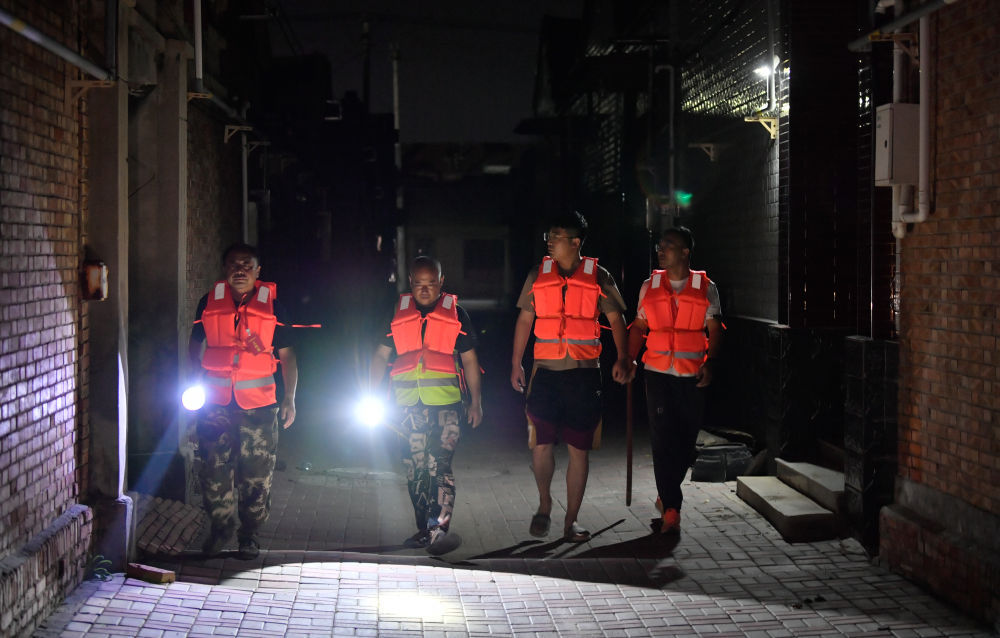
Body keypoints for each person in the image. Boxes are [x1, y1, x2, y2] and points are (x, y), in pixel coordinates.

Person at [510, 211, 631, 543]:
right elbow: (525, 320)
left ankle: (571, 520)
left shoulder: (599, 276)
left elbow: (616, 319)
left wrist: (623, 357)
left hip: (583, 376)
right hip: (545, 375)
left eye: (556, 236)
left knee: (579, 449)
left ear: (576, 242)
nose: (549, 241)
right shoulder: (538, 274)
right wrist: (516, 362)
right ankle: (544, 505)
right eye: (548, 235)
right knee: (541, 445)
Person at [189, 242, 298, 559]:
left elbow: (288, 356)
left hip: (259, 407)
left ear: (258, 271)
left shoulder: (274, 307)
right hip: (215, 404)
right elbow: (195, 347)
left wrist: (290, 398)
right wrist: (192, 383)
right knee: (212, 470)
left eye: (247, 265)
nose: (240, 270)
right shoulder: (207, 303)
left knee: (256, 476)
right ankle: (220, 528)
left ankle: (249, 535)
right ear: (225, 269)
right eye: (234, 264)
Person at [369, 256, 483, 554]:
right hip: (406, 408)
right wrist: (373, 393)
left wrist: (476, 402)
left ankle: (439, 530)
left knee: (440, 465)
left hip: (447, 406)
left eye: (431, 283)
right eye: (419, 283)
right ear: (410, 282)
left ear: (441, 282)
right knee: (415, 468)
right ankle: (425, 529)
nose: (424, 289)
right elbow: (380, 355)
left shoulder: (457, 314)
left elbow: (470, 360)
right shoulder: (396, 313)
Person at [626, 226, 723, 534]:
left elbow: (715, 329)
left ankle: (667, 492)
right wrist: (629, 358)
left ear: (685, 252)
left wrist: (710, 363)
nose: (661, 249)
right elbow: (639, 326)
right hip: (657, 373)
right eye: (660, 245)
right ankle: (672, 508)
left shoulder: (706, 287)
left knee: (685, 440)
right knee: (662, 437)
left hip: (691, 374)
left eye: (668, 245)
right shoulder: (649, 286)